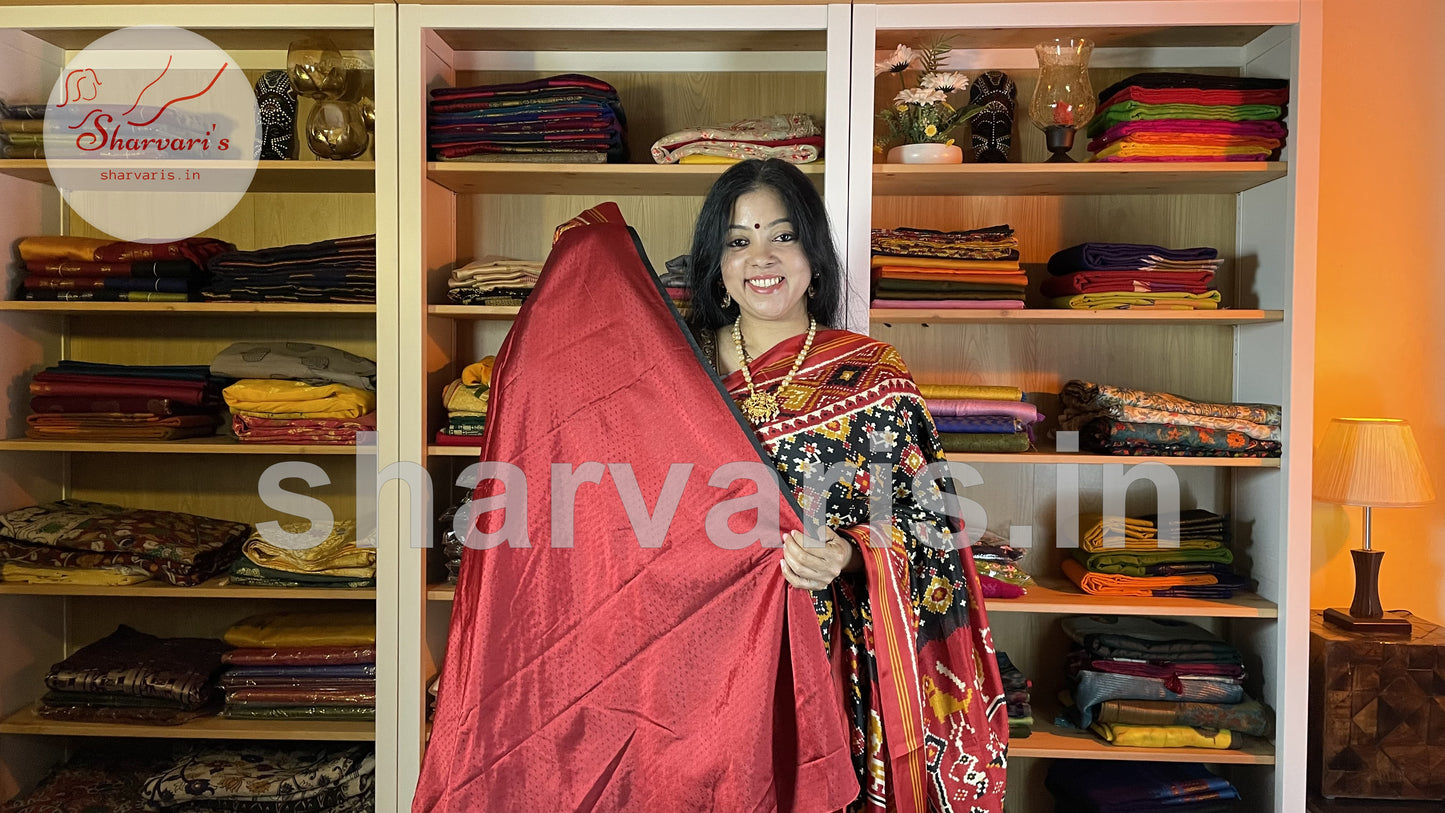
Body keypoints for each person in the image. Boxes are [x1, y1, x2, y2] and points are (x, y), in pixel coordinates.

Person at [686, 158, 1009, 812]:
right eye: (737, 241)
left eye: (781, 235)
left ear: (813, 252)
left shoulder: (871, 377)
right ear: (716, 265)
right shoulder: (677, 366)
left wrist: (851, 552)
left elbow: (926, 529)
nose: (760, 257)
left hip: (824, 654)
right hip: (696, 659)